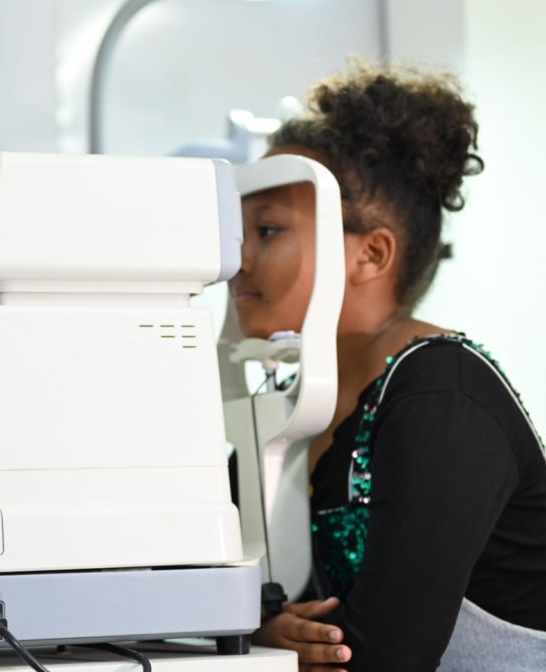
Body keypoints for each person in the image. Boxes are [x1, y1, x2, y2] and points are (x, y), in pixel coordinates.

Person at [234, 63, 546, 670]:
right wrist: (270, 630)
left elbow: (381, 656)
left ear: (371, 254)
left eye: (267, 230)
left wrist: (267, 635)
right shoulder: (296, 404)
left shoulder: (442, 396)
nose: (239, 258)